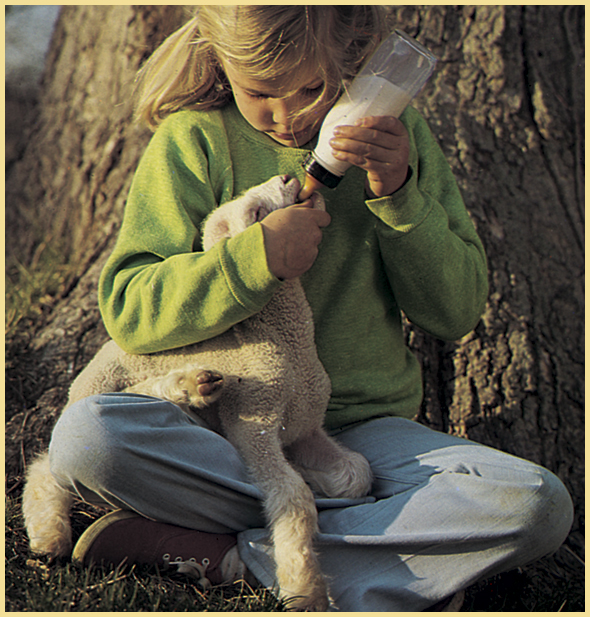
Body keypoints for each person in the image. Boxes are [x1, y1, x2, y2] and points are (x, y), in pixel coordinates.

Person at [47, 6, 573, 611]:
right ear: (221, 63)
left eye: (310, 87)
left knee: (535, 503)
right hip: (224, 431)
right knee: (88, 439)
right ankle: (395, 550)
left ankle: (238, 561)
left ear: (347, 56)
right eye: (261, 92)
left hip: (367, 438)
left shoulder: (394, 135)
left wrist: (398, 195)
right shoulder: (194, 141)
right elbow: (130, 310)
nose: (290, 113)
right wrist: (252, 261)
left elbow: (453, 313)